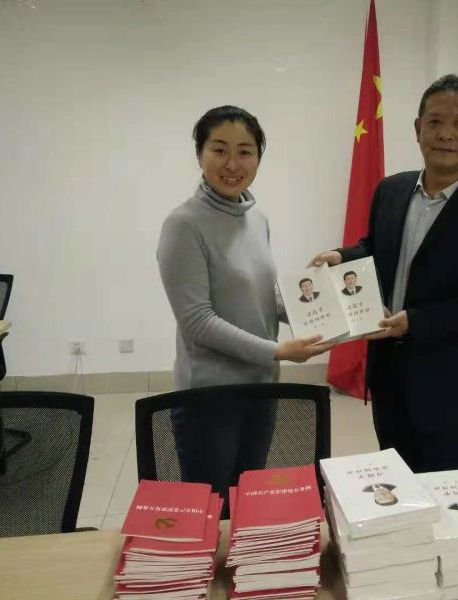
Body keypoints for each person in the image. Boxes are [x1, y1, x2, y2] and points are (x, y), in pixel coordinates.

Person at [310, 74, 458, 473]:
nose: (445, 134)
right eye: (435, 122)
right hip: (388, 372)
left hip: (453, 382)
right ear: (417, 129)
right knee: (395, 475)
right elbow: (376, 249)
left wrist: (416, 321)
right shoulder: (390, 190)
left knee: (447, 483)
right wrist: (342, 256)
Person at [157, 106, 333, 510]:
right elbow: (198, 321)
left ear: (258, 157)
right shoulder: (183, 225)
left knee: (247, 504)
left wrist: (321, 304)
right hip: (210, 398)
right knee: (212, 512)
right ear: (200, 154)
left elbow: (263, 296)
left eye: (245, 152)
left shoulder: (257, 218)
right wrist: (277, 350)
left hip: (261, 387)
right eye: (219, 150)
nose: (233, 164)